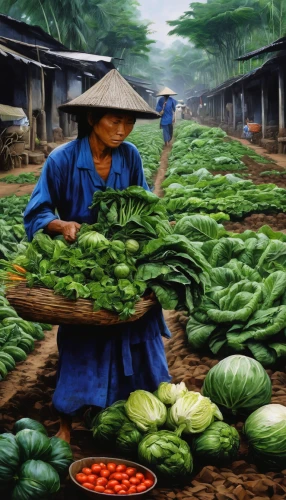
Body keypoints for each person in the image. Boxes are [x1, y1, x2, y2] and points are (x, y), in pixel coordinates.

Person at [23, 69, 171, 443]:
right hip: (82, 265)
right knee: (80, 340)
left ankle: (132, 411)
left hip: (123, 262)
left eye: (129, 122)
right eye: (114, 120)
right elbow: (37, 212)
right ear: (92, 118)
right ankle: (68, 420)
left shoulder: (132, 157)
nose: (122, 129)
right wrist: (63, 226)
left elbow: (142, 208)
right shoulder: (62, 160)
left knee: (138, 329)